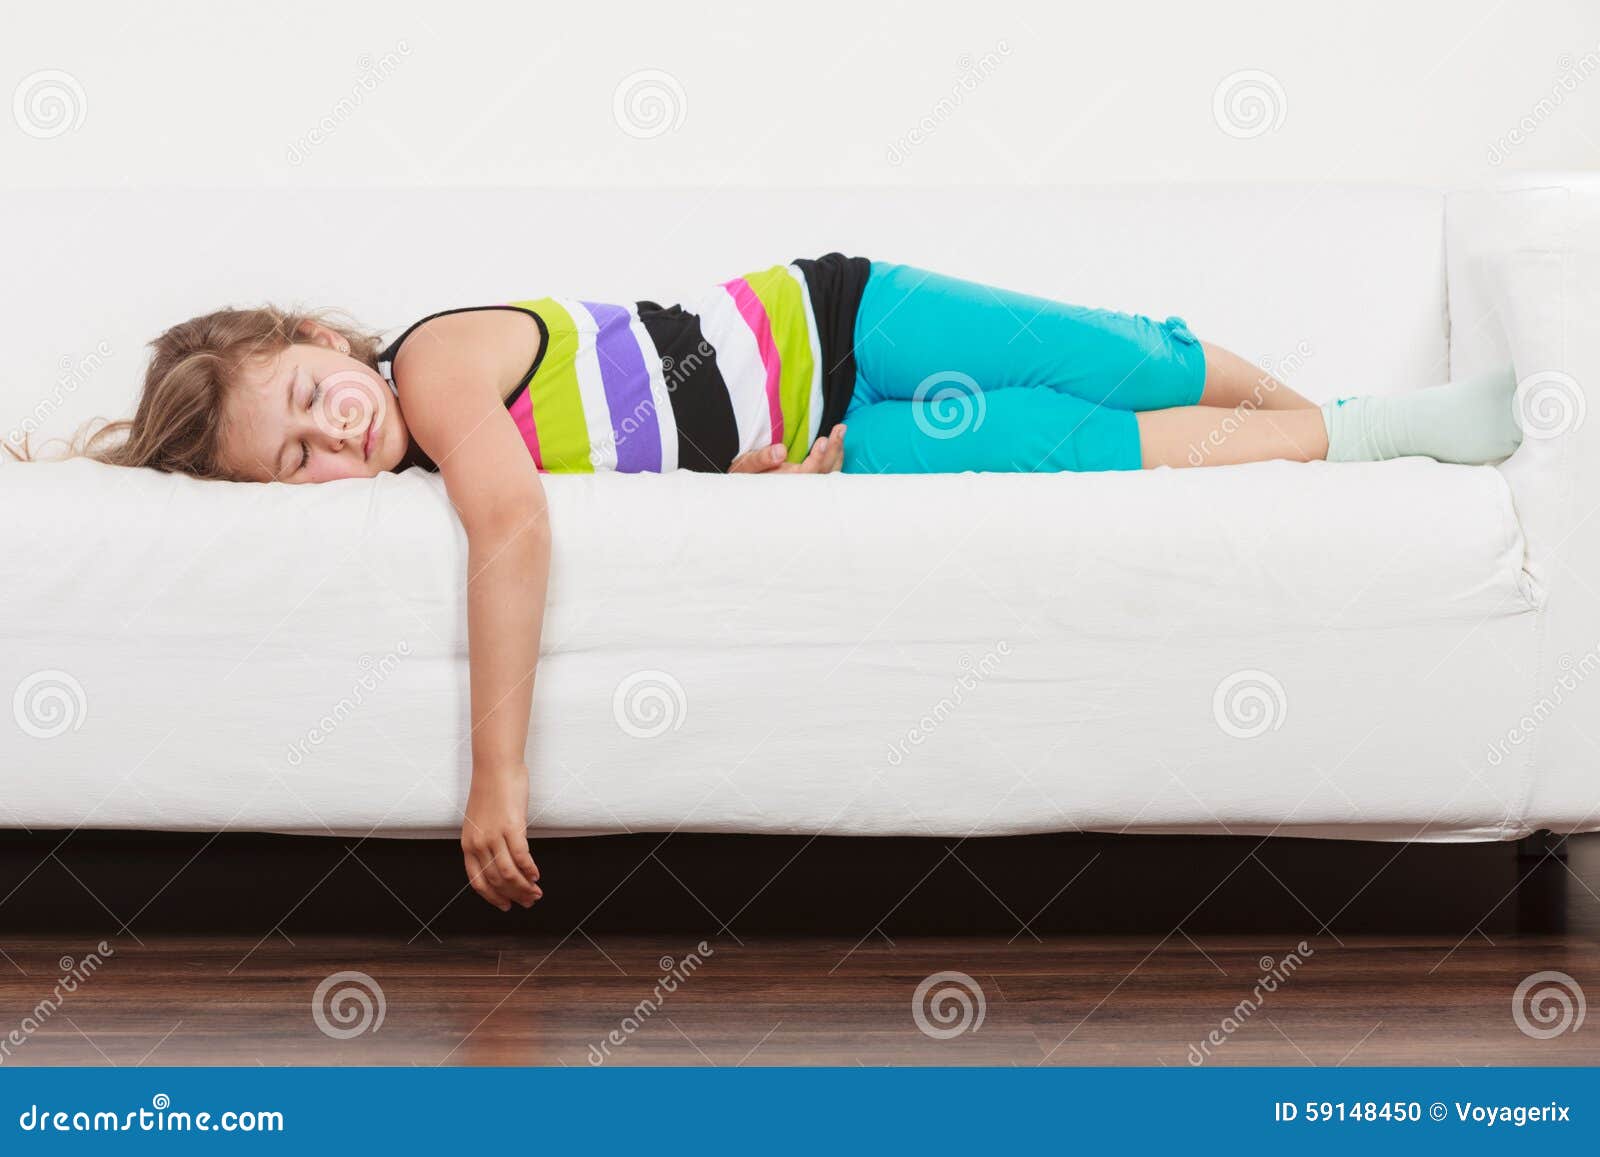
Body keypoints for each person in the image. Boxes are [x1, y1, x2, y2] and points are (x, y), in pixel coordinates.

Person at [8, 253, 1523, 910]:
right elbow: (638, 437)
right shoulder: (402, 458)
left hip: (841, 311)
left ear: (324, 342)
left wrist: (494, 777)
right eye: (296, 463)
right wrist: (754, 477)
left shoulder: (437, 364)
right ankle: (1380, 438)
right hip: (836, 440)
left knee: (1123, 351)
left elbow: (519, 526)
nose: (335, 432)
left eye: (308, 393)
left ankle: (1319, 404)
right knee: (1085, 446)